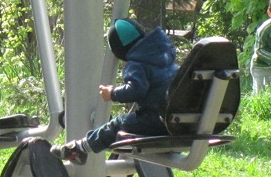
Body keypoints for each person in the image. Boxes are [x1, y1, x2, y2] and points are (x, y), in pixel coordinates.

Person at [51, 18, 179, 165]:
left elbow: (136, 90)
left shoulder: (137, 63)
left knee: (116, 125)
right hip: (176, 120)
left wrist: (112, 93)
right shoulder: (163, 54)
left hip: (156, 120)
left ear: (119, 50)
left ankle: (79, 149)